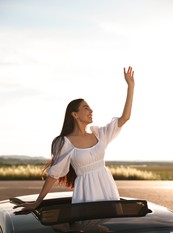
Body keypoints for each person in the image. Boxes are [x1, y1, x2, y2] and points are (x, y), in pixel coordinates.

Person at [14, 66, 135, 211]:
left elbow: (125, 117)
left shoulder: (100, 134)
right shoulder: (64, 142)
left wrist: (131, 86)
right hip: (86, 194)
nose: (91, 111)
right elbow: (54, 174)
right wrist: (38, 202)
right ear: (75, 114)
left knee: (110, 228)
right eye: (86, 107)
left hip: (108, 189)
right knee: (90, 229)